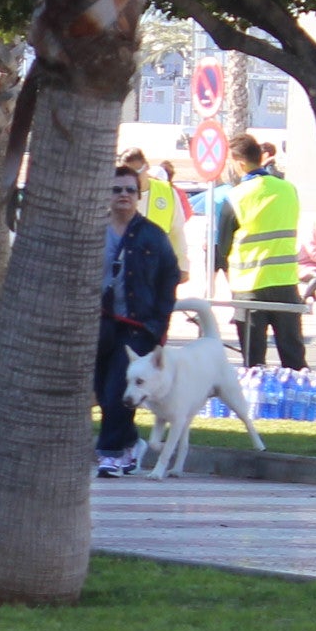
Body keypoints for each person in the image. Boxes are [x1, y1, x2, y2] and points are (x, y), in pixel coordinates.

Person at [94, 169, 183, 477]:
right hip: (101, 324)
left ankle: (110, 455)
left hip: (138, 327)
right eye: (117, 189)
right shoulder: (95, 230)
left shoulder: (152, 235)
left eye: (130, 190)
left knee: (119, 386)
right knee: (102, 390)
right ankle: (132, 443)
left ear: (138, 196)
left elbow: (170, 275)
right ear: (107, 193)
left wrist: (159, 321)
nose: (124, 195)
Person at [211, 132, 306, 373]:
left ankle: (257, 408)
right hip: (286, 283)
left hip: (249, 288)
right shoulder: (288, 190)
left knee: (253, 363)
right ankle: (294, 407)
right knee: (293, 358)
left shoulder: (236, 197)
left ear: (240, 163)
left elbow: (223, 246)